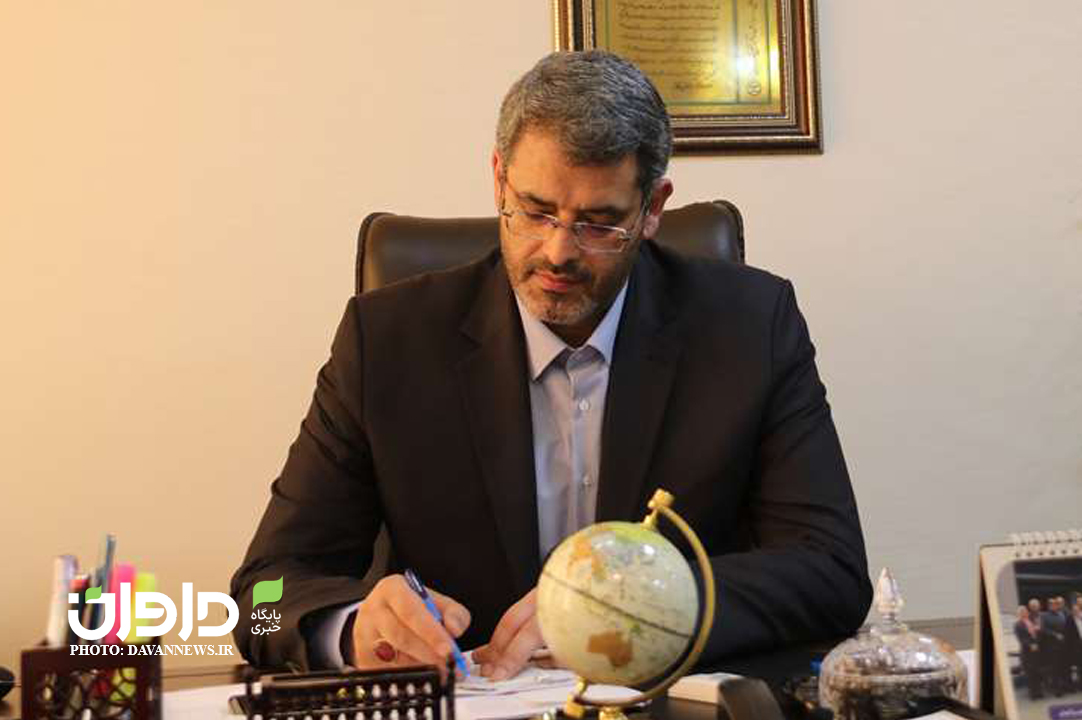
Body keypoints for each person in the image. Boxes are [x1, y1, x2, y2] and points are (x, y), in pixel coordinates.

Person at [230, 50, 872, 677]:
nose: (559, 251)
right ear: (498, 179)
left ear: (652, 209)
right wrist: (348, 627)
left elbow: (833, 571)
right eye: (535, 211)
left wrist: (634, 606)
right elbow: (260, 595)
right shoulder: (387, 342)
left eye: (599, 223)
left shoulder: (750, 327)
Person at [1015, 604, 1044, 700]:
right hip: (1027, 652)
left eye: (1025, 611)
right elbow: (1021, 638)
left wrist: (1038, 632)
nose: (1025, 613)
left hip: (1036, 651)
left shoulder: (1031, 621)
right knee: (1030, 674)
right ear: (1019, 614)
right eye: (1022, 612)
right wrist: (1030, 645)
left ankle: (1039, 692)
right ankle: (1033, 694)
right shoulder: (1018, 624)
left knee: (1037, 672)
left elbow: (1035, 634)